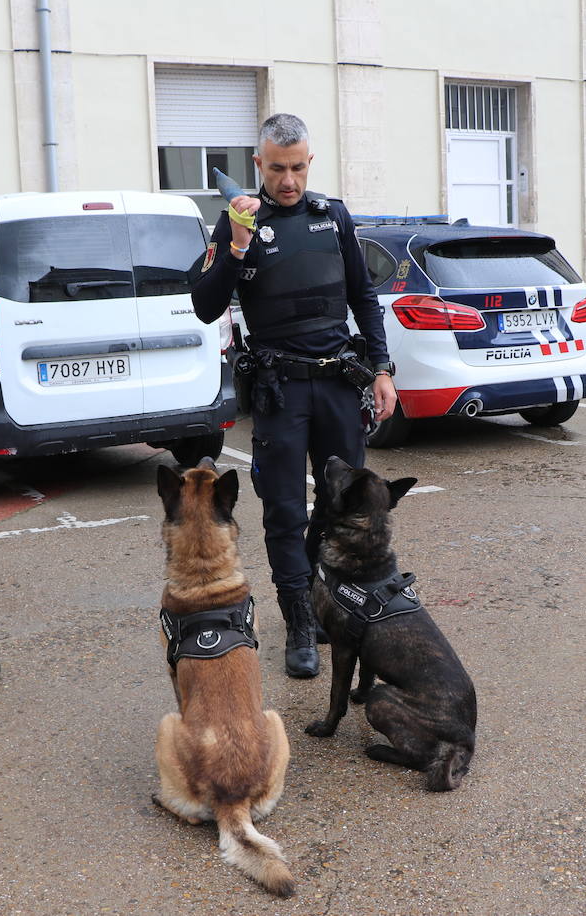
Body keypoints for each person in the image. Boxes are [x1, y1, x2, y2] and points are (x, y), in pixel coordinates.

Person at [190, 113, 398, 678]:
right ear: (258, 165)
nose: (289, 180)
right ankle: (300, 623)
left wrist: (381, 367)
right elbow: (205, 305)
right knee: (284, 511)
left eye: (298, 168)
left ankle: (328, 601)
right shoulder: (239, 223)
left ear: (310, 162)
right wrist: (235, 246)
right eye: (278, 169)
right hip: (282, 393)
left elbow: (363, 297)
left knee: (342, 508)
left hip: (337, 385)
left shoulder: (332, 217)